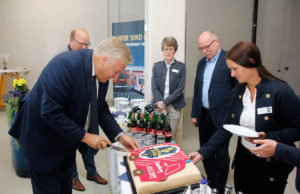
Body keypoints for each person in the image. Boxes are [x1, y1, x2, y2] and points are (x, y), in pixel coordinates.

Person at [9, 37, 139, 194]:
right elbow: (50, 112)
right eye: (117, 71)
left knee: (65, 187)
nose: (116, 78)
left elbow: (100, 107)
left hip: (66, 140)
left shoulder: (101, 73)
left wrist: (120, 136)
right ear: (104, 60)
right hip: (42, 142)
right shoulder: (64, 66)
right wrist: (85, 136)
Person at [189, 41, 300, 194]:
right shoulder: (237, 93)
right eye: (230, 70)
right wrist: (202, 152)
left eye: (235, 69)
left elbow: (297, 129)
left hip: (272, 167)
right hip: (244, 163)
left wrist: (270, 136)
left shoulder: (280, 91)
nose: (232, 74)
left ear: (251, 63)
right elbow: (225, 128)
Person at [61, 28, 108, 192]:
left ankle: (92, 172)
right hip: (71, 121)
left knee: (90, 146)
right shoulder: (64, 63)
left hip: (89, 116)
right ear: (71, 41)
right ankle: (73, 177)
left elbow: (100, 103)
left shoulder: (93, 65)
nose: (85, 48)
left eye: (87, 44)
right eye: (81, 44)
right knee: (70, 148)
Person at [191, 30, 235, 193]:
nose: (204, 51)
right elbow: (197, 89)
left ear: (217, 42)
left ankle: (221, 187)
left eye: (206, 47)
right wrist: (195, 112)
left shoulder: (229, 60)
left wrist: (232, 115)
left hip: (222, 117)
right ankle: (212, 183)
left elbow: (236, 90)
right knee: (205, 150)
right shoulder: (201, 63)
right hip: (204, 115)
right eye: (201, 48)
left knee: (221, 154)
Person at [151, 36, 186, 142]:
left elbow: (180, 89)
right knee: (158, 135)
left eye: (171, 49)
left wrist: (165, 103)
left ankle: (170, 157)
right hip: (159, 105)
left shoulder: (181, 67)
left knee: (171, 136)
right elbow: (154, 87)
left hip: (174, 106)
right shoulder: (157, 66)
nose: (168, 52)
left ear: (175, 50)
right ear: (162, 50)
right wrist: (161, 104)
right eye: (166, 49)